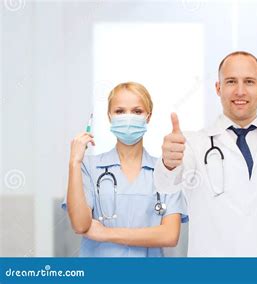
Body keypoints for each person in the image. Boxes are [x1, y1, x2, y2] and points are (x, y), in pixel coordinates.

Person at [154, 51, 257, 256]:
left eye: (249, 82)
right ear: (218, 88)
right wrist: (168, 163)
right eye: (231, 81)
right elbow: (165, 183)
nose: (240, 91)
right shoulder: (193, 145)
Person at [63, 82, 188, 257]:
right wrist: (74, 162)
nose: (128, 118)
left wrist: (105, 233)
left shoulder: (166, 170)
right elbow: (80, 225)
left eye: (137, 111)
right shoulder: (88, 167)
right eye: (120, 111)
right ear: (110, 116)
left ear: (148, 117)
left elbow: (170, 235)